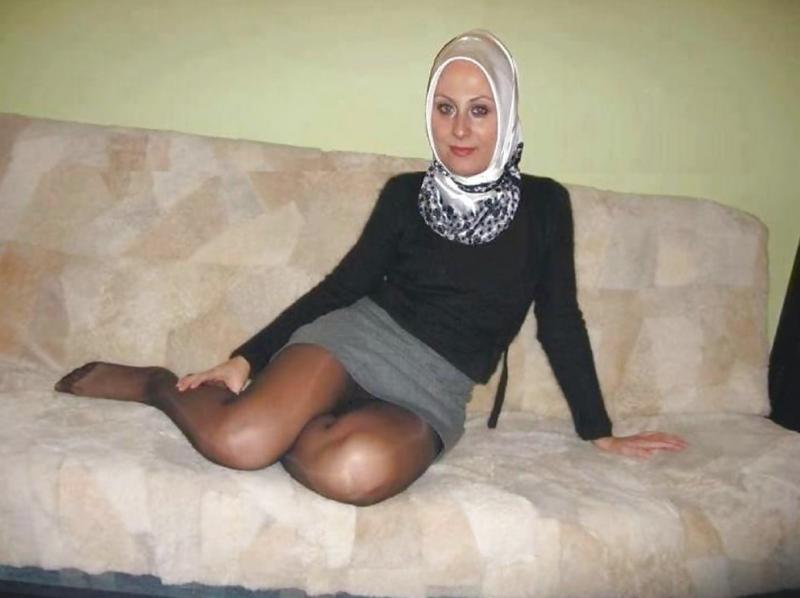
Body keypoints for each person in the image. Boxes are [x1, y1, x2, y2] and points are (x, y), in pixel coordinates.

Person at [53, 30, 687, 507]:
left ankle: (288, 420)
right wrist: (245, 359)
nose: (459, 129)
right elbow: (342, 288)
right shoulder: (405, 195)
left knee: (352, 472)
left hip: (434, 388)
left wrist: (598, 431)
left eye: (479, 109)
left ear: (508, 113)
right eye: (444, 108)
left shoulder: (546, 206)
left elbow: (560, 320)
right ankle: (157, 385)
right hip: (351, 343)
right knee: (240, 444)